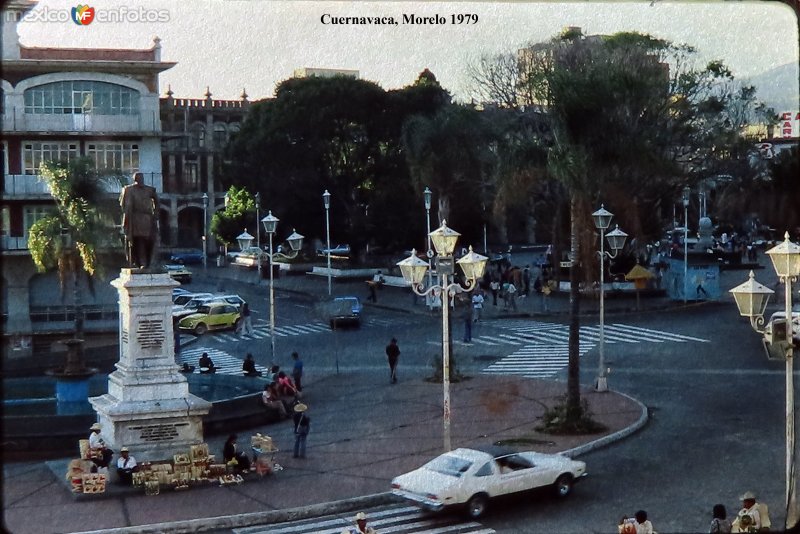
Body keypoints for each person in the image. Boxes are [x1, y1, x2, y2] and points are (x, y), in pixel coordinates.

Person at [119, 171, 159, 268]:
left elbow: (157, 201)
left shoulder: (149, 190)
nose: (141, 180)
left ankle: (147, 262)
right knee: (138, 240)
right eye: (139, 178)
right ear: (135, 179)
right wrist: (127, 217)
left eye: (142, 178)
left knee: (149, 240)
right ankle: (141, 262)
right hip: (135, 219)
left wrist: (155, 213)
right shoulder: (129, 190)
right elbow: (123, 204)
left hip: (147, 219)